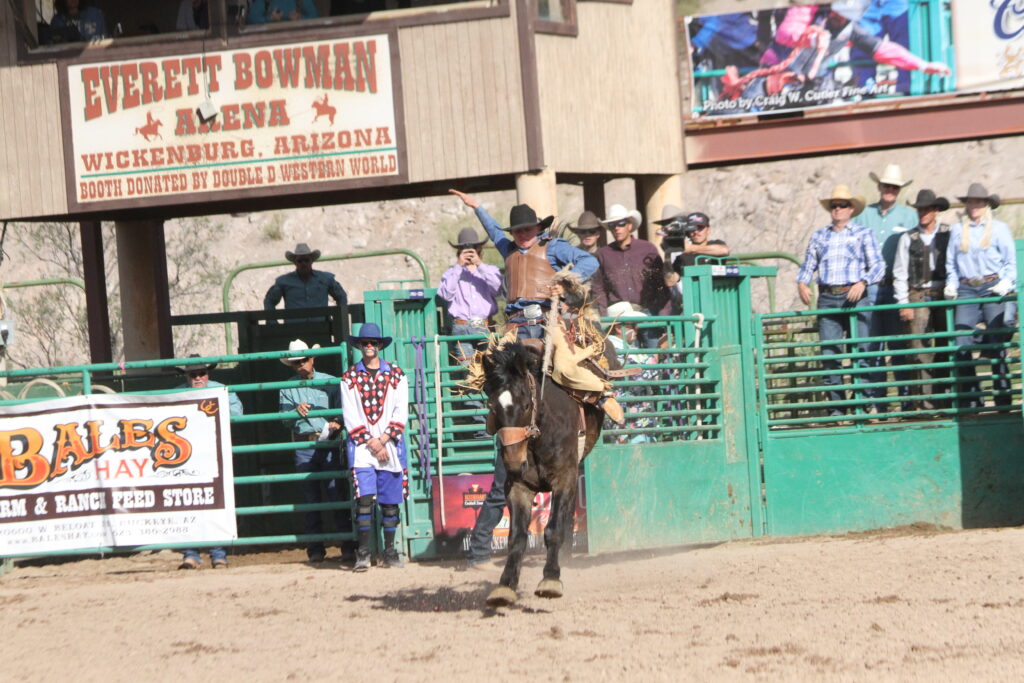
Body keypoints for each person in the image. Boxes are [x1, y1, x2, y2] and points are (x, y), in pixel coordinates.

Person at [796, 185, 885, 415]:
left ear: (851, 209)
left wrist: (863, 282)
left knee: (861, 352)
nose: (838, 209)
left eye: (842, 205)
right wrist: (802, 282)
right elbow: (809, 264)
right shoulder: (819, 236)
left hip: (855, 295)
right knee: (830, 355)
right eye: (834, 205)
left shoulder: (863, 233)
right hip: (828, 296)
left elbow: (878, 265)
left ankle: (864, 404)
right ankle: (837, 409)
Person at [340, 323, 409, 571]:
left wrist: (384, 439)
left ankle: (390, 551)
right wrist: (372, 441)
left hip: (389, 445)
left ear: (380, 346)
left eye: (374, 343)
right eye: (365, 343)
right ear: (359, 345)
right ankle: (364, 553)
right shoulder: (349, 378)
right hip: (362, 448)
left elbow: (401, 411)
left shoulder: (397, 375)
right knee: (365, 501)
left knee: (390, 503)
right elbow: (350, 416)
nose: (369, 346)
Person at [944, 183, 1016, 409]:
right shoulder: (957, 230)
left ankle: (1002, 398)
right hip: (967, 287)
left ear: (986, 205)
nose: (973, 206)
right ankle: (973, 398)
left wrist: (1005, 283)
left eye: (977, 202)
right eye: (970, 202)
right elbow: (951, 263)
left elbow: (1010, 263)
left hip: (991, 284)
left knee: (997, 340)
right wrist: (951, 285)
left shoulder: (1000, 229)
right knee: (961, 339)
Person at [174, 355, 243, 569]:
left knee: (216, 501)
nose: (198, 377)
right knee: (186, 502)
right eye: (193, 374)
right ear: (187, 376)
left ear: (208, 373)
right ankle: (191, 553)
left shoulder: (221, 390)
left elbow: (237, 414)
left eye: (201, 373)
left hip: (213, 452)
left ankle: (217, 552)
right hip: (185, 456)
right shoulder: (176, 393)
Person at [278, 339, 344, 563]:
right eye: (296, 362)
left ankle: (346, 544)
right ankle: (317, 549)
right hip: (305, 444)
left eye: (303, 360)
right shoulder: (287, 388)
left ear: (312, 359)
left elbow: (343, 411)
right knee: (311, 498)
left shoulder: (330, 382)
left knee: (336, 494)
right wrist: (294, 412)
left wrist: (337, 421)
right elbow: (284, 420)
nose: (300, 365)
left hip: (327, 441)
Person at [859, 164, 919, 409]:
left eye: (894, 187)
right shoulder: (863, 216)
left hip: (896, 287)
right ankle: (876, 404)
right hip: (871, 285)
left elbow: (916, 252)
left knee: (898, 345)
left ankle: (905, 403)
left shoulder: (909, 216)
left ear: (899, 189)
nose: (890, 190)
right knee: (871, 345)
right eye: (887, 186)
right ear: (879, 187)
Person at [438, 227, 501, 440]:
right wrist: (459, 267)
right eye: (465, 249)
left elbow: (498, 289)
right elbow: (445, 294)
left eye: (472, 248)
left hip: (484, 326)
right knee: (468, 376)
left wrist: (479, 266)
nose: (469, 251)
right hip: (461, 326)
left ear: (479, 249)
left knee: (493, 372)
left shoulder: (489, 270)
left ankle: (495, 421)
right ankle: (479, 426)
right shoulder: (451, 273)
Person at [892, 189, 951, 411]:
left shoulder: (948, 233)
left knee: (946, 347)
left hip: (944, 293)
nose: (923, 213)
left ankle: (946, 401)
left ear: (935, 210)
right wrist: (903, 303)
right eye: (920, 209)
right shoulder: (908, 238)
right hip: (917, 294)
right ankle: (926, 406)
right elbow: (899, 273)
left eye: (927, 209)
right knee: (919, 350)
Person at [590, 205, 673, 348]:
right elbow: (598, 288)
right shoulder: (603, 254)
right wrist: (605, 316)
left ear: (629, 225)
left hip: (648, 311)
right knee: (627, 358)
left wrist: (663, 316)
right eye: (612, 225)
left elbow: (661, 285)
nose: (617, 228)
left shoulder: (648, 249)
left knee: (653, 354)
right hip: (620, 315)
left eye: (621, 223)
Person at [263, 243, 347, 321]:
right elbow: (270, 301)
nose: (303, 264)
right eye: (300, 261)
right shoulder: (284, 281)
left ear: (311, 261)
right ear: (295, 262)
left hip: (322, 329)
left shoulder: (325, 278)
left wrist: (339, 319)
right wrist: (272, 321)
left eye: (306, 260)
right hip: (294, 329)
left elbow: (341, 296)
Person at [660, 207, 731, 292]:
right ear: (687, 232)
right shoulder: (683, 257)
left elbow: (724, 250)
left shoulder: (715, 244)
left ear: (708, 230)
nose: (696, 232)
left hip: (718, 294)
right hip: (695, 299)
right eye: (692, 229)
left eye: (700, 228)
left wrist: (691, 248)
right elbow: (670, 281)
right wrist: (668, 254)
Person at [247, 0, 318, 23]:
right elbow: (251, 18)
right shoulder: (265, 1)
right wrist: (269, 19)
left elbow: (315, 17)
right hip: (271, 39)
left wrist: (300, 18)